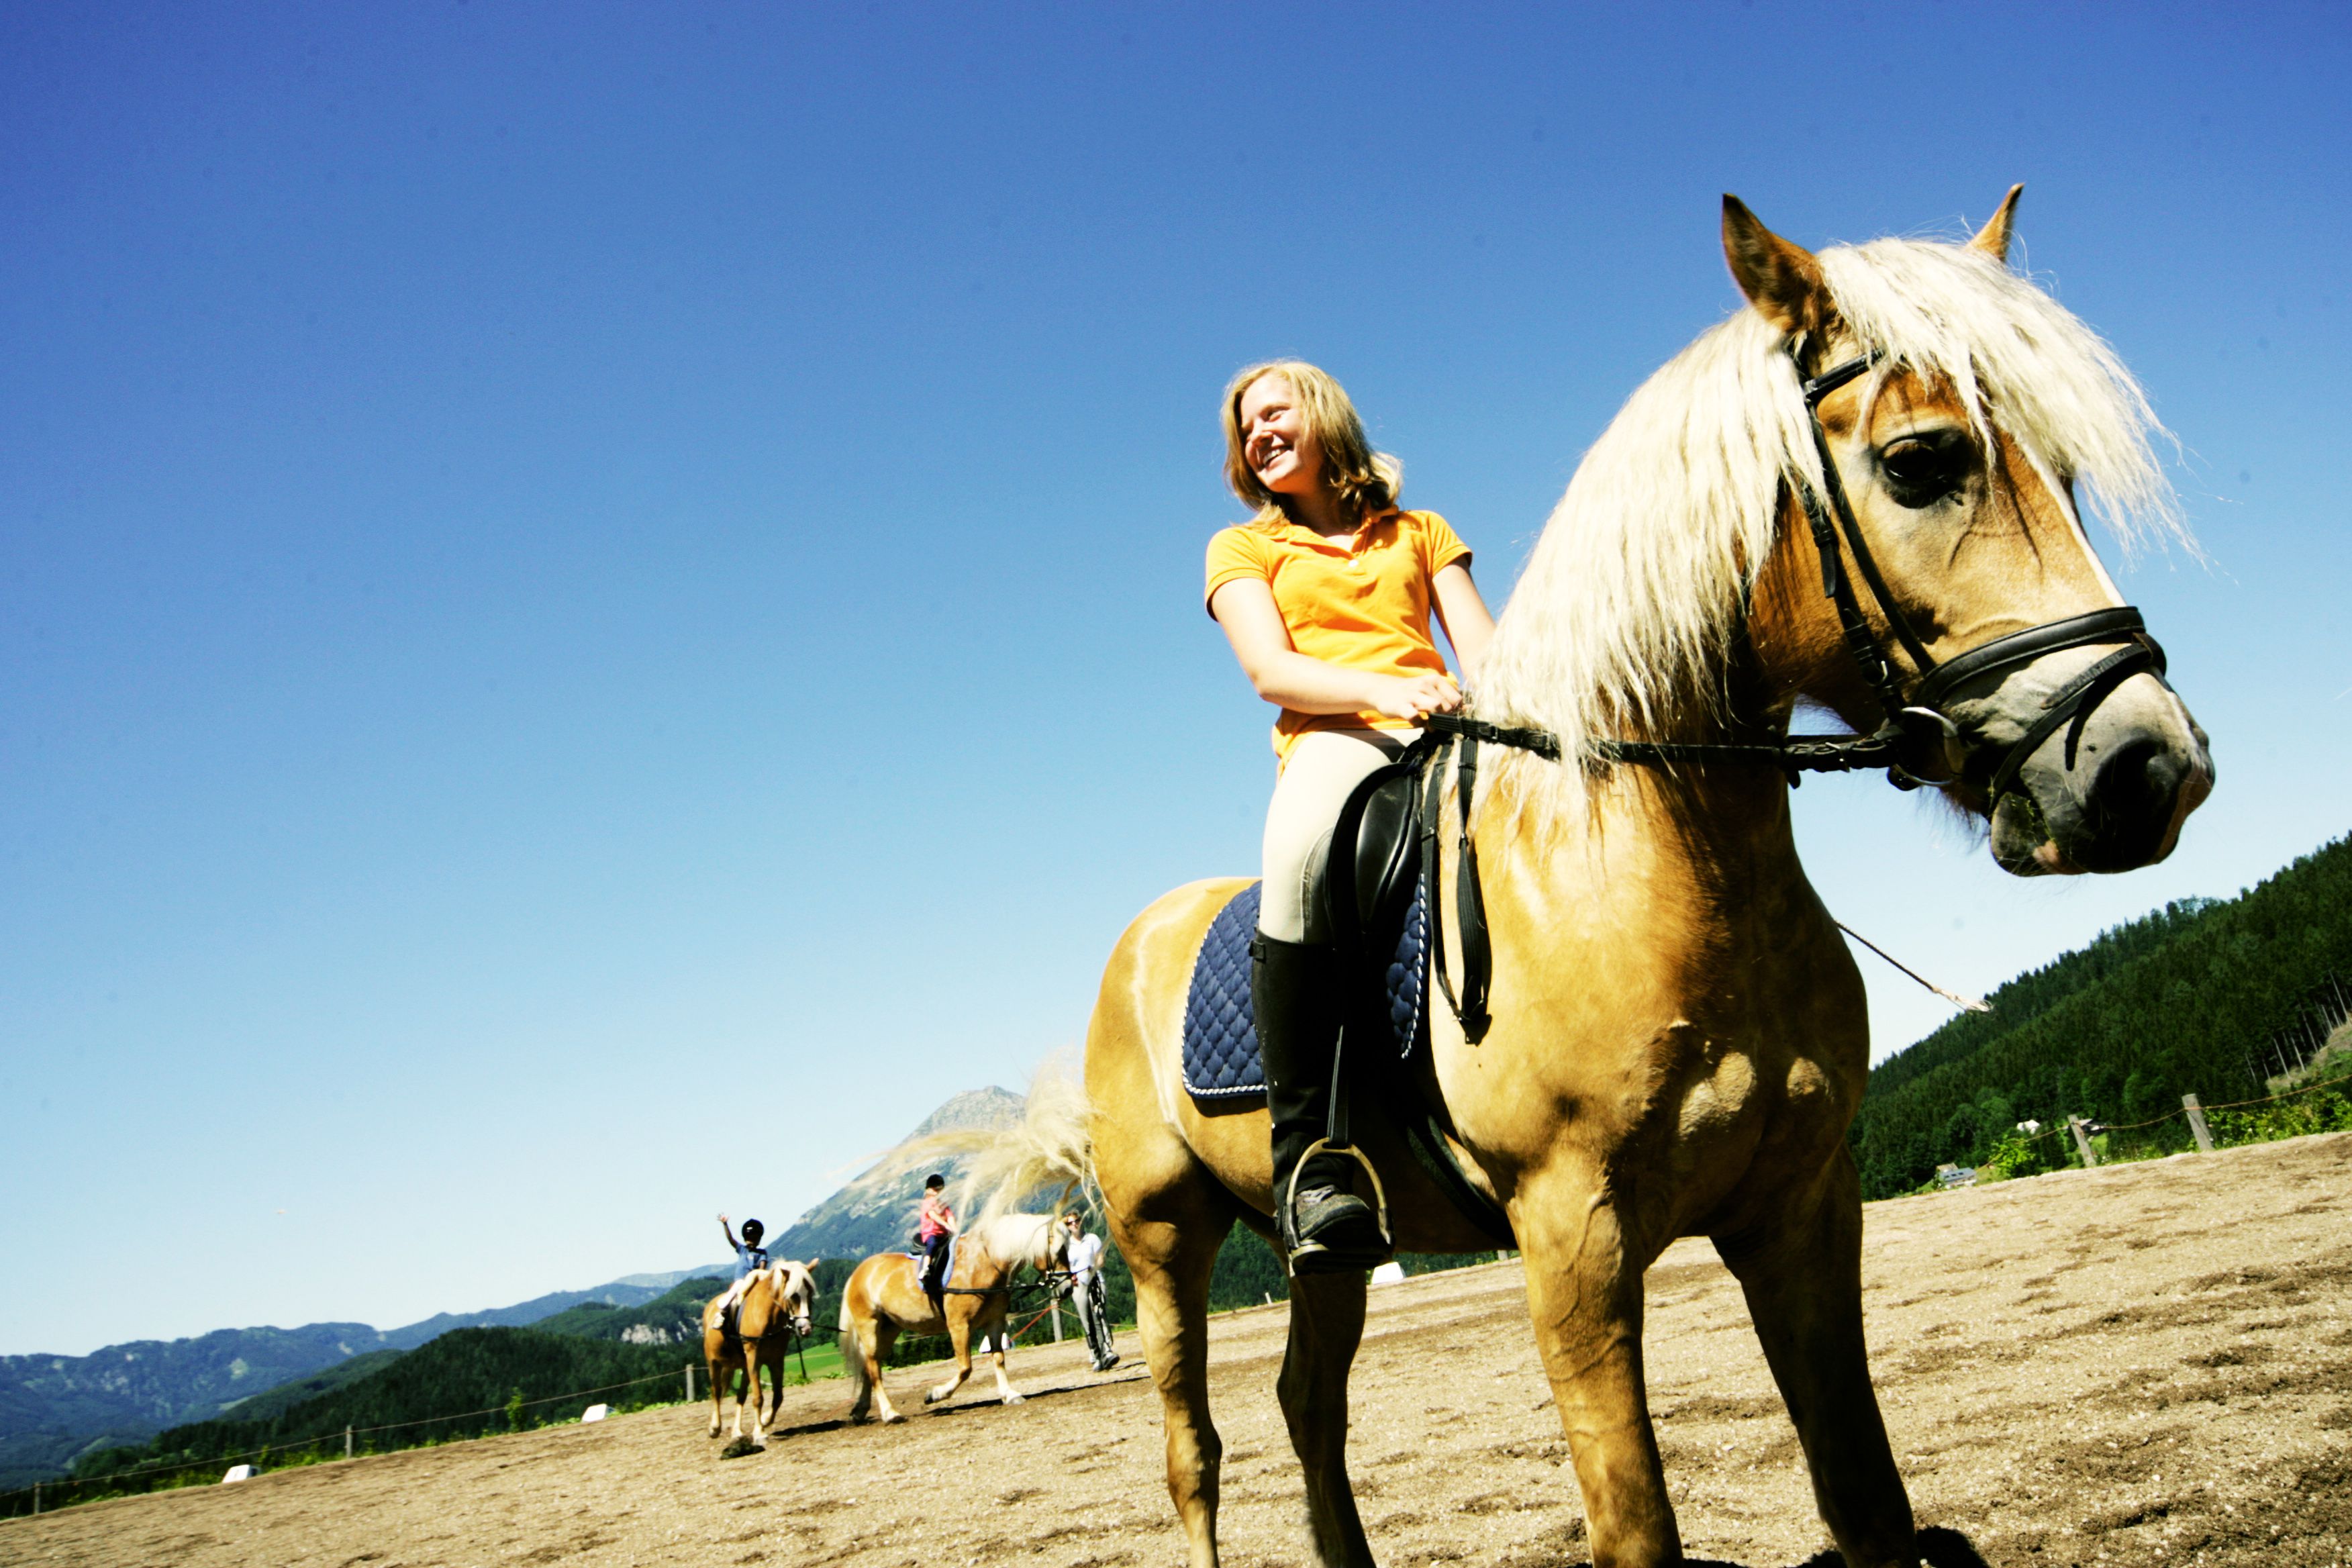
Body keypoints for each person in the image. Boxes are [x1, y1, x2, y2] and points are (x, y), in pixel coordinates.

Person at [1204, 360, 1495, 1275]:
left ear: (1323, 414)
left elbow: (1484, 650)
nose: (1259, 435)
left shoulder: (1420, 531)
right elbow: (1271, 674)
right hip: (1339, 737)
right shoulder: (1242, 550)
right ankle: (1310, 1162)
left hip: (1448, 722)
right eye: (1246, 429)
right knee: (1296, 859)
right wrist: (1390, 691)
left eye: (1273, 413)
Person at [1059, 1212, 1119, 1371]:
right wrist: (1070, 1278)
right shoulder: (1066, 1245)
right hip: (1078, 1284)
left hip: (1095, 1280)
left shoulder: (1092, 1238)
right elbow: (1064, 1267)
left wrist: (1093, 1269)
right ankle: (1095, 1353)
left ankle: (1107, 1350)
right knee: (1087, 1321)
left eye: (1076, 1221)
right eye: (1070, 1223)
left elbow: (1100, 1259)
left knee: (1099, 1315)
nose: (1074, 1225)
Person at [712, 1212, 770, 1331]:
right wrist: (725, 1224)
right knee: (737, 1287)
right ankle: (722, 1313)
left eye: (755, 1238)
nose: (752, 1241)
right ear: (745, 1238)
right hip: (740, 1281)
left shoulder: (761, 1253)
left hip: (753, 1281)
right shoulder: (742, 1250)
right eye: (749, 1238)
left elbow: (762, 1269)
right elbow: (730, 1239)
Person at [914, 1174, 957, 1314]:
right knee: (932, 1245)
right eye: (936, 1190)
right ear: (930, 1190)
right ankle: (926, 1269)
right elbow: (933, 1215)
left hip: (944, 1234)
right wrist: (946, 1224)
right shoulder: (928, 1202)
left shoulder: (943, 1204)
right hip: (931, 1232)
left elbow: (950, 1216)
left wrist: (955, 1230)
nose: (938, 1193)